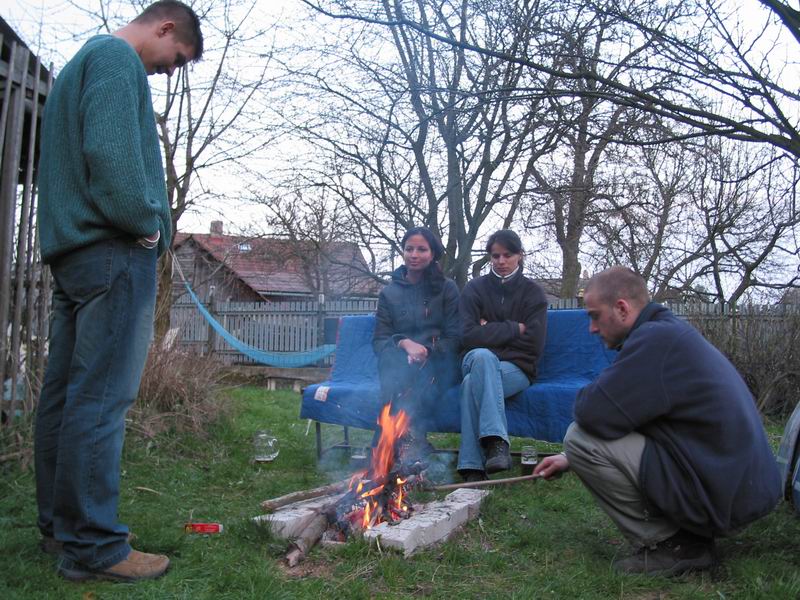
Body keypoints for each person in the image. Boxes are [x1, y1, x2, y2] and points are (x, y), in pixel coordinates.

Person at [34, 1, 203, 583]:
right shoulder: (115, 59)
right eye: (175, 59)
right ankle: (96, 546)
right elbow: (109, 156)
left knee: (66, 396)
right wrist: (148, 223)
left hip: (72, 255)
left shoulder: (79, 63)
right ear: (165, 27)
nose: (168, 72)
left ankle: (62, 527)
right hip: (111, 251)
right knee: (102, 400)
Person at [535, 266, 782, 576]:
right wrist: (569, 459)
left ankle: (677, 546)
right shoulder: (667, 332)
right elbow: (640, 414)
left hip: (725, 492)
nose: (592, 329)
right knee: (578, 445)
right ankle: (688, 536)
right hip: (735, 482)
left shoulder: (656, 341)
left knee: (579, 437)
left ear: (622, 308)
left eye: (594, 316)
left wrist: (576, 447)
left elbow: (592, 413)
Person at [457, 230, 548, 481]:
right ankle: (497, 443)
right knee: (483, 358)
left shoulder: (533, 293)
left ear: (519, 255)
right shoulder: (474, 289)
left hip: (518, 368)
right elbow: (466, 335)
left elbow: (534, 342)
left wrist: (487, 330)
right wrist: (512, 329)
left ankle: (471, 467)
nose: (501, 261)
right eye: (495, 255)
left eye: (508, 255)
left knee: (469, 384)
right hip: (474, 360)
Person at [372, 227, 461, 458]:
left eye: (422, 249)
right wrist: (404, 343)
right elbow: (380, 340)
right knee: (391, 360)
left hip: (439, 364)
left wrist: (426, 351)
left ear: (432, 254)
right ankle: (400, 438)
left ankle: (394, 438)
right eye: (409, 249)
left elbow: (455, 337)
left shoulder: (447, 289)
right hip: (399, 364)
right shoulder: (389, 293)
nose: (414, 254)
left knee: (422, 374)